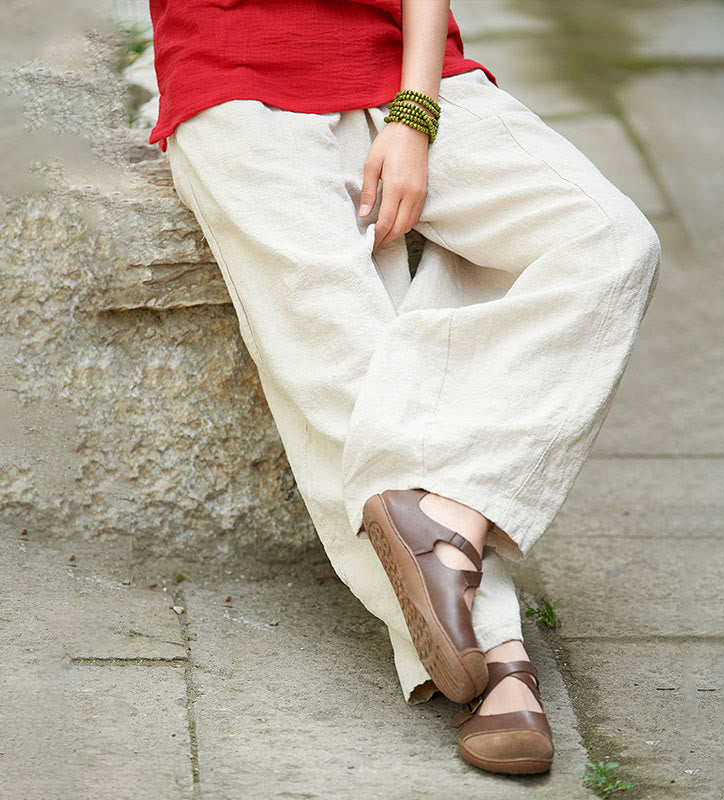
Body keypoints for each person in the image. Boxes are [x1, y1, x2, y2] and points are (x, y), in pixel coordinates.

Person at [148, 0, 660, 776]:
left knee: (611, 243)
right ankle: (499, 660)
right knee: (342, 347)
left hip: (410, 70)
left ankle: (451, 509)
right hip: (237, 78)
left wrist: (415, 115)